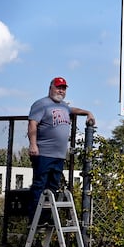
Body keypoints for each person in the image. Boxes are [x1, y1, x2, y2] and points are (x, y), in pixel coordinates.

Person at [27, 77, 95, 223]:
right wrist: (33, 144)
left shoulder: (64, 106)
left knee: (52, 188)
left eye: (63, 88)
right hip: (43, 153)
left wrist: (87, 112)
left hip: (58, 155)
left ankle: (46, 218)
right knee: (40, 185)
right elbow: (32, 124)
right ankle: (34, 219)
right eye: (58, 87)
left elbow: (72, 110)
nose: (61, 91)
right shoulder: (41, 104)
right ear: (50, 87)